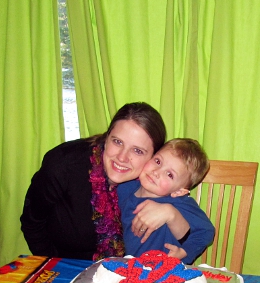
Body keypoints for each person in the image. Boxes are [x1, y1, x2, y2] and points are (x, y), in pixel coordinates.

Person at [21, 102, 193, 261]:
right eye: (117, 142)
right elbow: (32, 223)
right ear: (107, 136)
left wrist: (171, 213)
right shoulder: (63, 164)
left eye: (138, 151)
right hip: (65, 267)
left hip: (119, 273)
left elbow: (199, 232)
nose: (122, 157)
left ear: (153, 156)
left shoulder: (152, 180)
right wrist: (57, 268)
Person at [118, 138, 215, 264]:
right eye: (158, 161)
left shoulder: (179, 202)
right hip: (126, 269)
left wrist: (185, 252)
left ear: (179, 191)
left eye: (169, 174)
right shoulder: (125, 187)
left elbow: (206, 232)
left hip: (162, 274)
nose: (156, 172)